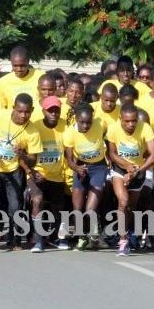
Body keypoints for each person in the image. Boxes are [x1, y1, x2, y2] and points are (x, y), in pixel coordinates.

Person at [0, 93, 42, 250]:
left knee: (15, 207)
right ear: (13, 108)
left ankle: (14, 239)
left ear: (32, 110)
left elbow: (33, 160)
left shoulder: (33, 131)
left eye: (27, 112)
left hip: (14, 171)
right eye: (20, 111)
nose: (23, 115)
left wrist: (22, 154)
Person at [106, 104, 154, 257]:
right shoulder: (113, 128)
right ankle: (123, 242)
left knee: (130, 207)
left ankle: (128, 233)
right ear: (120, 119)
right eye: (127, 121)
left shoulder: (145, 128)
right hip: (120, 169)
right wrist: (127, 166)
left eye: (134, 121)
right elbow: (112, 153)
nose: (131, 125)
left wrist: (137, 171)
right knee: (123, 201)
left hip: (139, 170)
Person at [64, 105, 108, 248]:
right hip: (80, 167)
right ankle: (82, 236)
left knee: (90, 209)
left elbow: (109, 141)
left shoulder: (101, 124)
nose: (85, 125)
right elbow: (69, 159)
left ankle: (94, 235)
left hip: (98, 167)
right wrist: (77, 168)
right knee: (77, 208)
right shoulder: (69, 133)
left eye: (88, 122)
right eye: (82, 122)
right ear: (76, 119)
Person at [27, 96, 67, 251]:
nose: (54, 114)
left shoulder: (65, 126)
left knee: (59, 208)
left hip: (57, 175)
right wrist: (31, 171)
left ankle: (57, 238)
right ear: (43, 110)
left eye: (56, 110)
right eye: (50, 110)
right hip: (37, 174)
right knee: (38, 200)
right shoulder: (35, 127)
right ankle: (38, 240)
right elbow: (25, 152)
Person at [0, 46, 41, 110]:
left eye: (22, 65)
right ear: (11, 62)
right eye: (15, 66)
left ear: (28, 62)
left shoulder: (40, 76)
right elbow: (0, 108)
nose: (19, 69)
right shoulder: (3, 82)